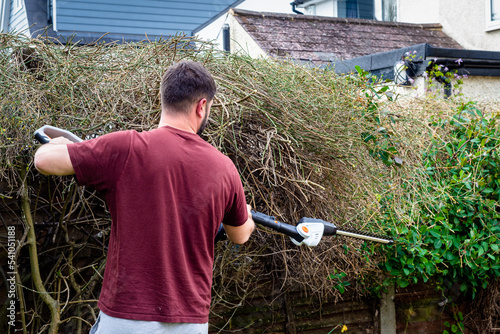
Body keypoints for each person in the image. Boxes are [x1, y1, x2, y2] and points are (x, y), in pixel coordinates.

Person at [34, 60, 255, 334]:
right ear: (201, 106)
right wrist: (245, 214)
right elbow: (240, 235)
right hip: (190, 322)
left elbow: (43, 160)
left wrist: (62, 143)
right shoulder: (225, 168)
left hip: (126, 318)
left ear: (163, 99)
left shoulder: (126, 148)